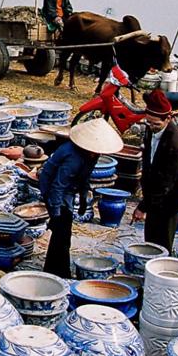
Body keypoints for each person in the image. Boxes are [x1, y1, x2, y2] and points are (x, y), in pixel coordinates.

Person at [40, 118, 124, 278]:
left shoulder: (91, 155)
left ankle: (56, 269)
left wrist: (84, 199)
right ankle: (57, 272)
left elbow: (84, 179)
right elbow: (58, 186)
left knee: (64, 235)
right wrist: (56, 212)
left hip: (68, 190)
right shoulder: (73, 157)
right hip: (55, 190)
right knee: (61, 234)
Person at [131, 89, 178, 252]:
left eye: (156, 124)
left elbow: (164, 183)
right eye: (148, 122)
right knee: (150, 240)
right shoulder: (152, 130)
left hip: (167, 201)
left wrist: (143, 207)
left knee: (161, 245)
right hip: (154, 198)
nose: (151, 127)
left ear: (168, 118)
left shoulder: (173, 144)